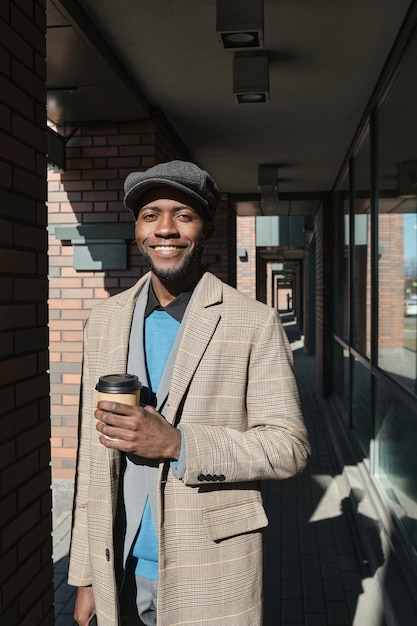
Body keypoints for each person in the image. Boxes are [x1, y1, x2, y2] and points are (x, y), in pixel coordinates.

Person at [68, 160, 311, 626]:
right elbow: (90, 462)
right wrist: (84, 575)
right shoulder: (103, 322)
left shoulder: (252, 321)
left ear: (206, 228)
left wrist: (180, 444)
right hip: (119, 567)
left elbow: (290, 447)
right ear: (137, 228)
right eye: (151, 214)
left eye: (183, 214)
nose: (165, 229)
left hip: (213, 571)